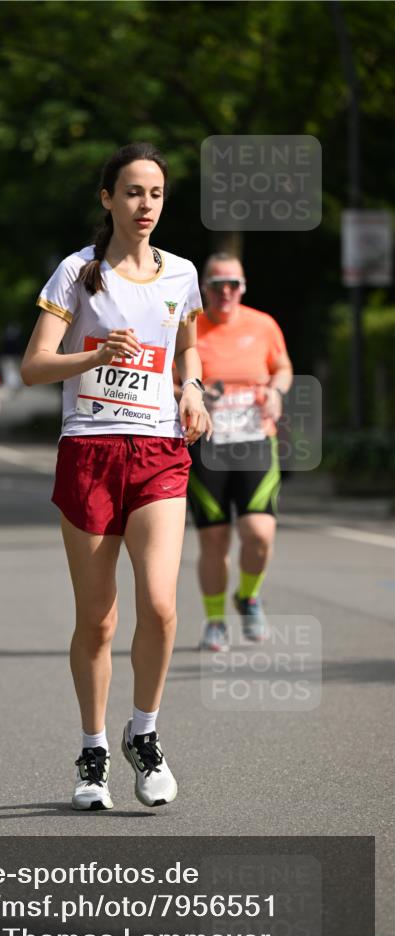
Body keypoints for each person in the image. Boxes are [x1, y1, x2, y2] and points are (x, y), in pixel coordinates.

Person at [21, 143, 211, 811]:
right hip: (91, 451)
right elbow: (33, 367)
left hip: (158, 450)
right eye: (132, 192)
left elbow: (186, 343)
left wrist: (191, 387)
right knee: (97, 621)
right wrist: (95, 354)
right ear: (107, 199)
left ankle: (145, 734)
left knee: (160, 606)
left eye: (155, 194)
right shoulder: (79, 272)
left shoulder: (181, 273)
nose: (145, 206)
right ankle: (93, 747)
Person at [187, 253, 293, 652]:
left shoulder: (262, 324)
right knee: (214, 541)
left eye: (234, 284)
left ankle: (248, 597)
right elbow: (165, 380)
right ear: (205, 288)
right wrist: (191, 393)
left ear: (243, 288)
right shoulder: (189, 326)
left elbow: (282, 367)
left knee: (259, 534)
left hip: (253, 440)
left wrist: (276, 391)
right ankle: (215, 621)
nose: (226, 292)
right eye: (218, 284)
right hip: (207, 444)